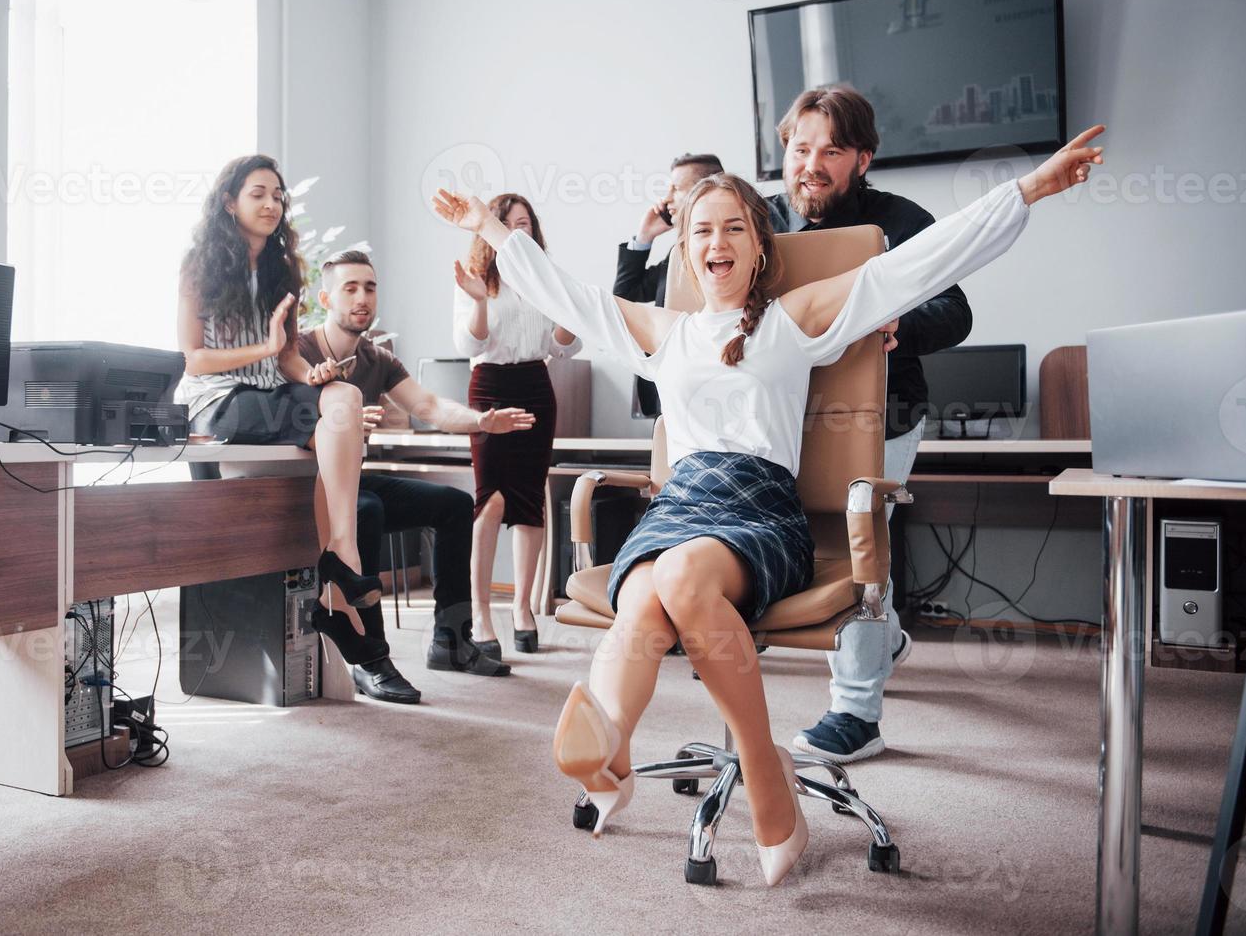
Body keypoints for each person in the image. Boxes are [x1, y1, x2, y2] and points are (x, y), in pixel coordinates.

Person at [433, 126, 1104, 885]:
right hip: (682, 502)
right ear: (685, 252)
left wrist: (1028, 189)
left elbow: (916, 265)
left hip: (757, 508)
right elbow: (568, 296)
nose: (714, 242)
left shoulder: (796, 318)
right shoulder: (665, 331)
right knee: (650, 591)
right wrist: (488, 226)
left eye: (732, 228)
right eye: (700, 231)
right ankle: (629, 748)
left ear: (759, 246)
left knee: (673, 580)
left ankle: (724, 762)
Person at [767, 85, 975, 765]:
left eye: (831, 150)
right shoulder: (762, 219)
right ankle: (882, 641)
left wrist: (897, 322)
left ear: (862, 157)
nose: (812, 163)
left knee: (857, 536)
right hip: (787, 415)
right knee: (808, 540)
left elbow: (955, 312)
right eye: (801, 148)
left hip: (882, 414)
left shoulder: (899, 221)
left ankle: (856, 712)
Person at [175, 154, 386, 669]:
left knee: (346, 400)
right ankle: (338, 571)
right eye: (258, 193)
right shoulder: (199, 266)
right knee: (336, 427)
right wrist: (266, 351)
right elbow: (194, 357)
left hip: (271, 392)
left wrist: (311, 375)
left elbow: (288, 356)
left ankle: (339, 556)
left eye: (277, 195)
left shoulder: (281, 268)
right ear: (230, 202)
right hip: (217, 400)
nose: (271, 204)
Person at [299, 248, 538, 701]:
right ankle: (371, 658)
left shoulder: (377, 359)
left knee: (453, 504)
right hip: (310, 490)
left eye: (370, 287)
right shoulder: (301, 351)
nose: (362, 297)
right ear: (326, 298)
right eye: (349, 288)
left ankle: (451, 639)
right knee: (365, 510)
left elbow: (428, 406)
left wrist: (481, 421)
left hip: (353, 482)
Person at [452, 193, 581, 657]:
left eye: (523, 223)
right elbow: (470, 341)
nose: (517, 230)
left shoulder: (545, 280)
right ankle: (482, 611)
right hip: (488, 386)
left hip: (534, 385)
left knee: (529, 498)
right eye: (506, 223)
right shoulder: (475, 277)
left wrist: (570, 312)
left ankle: (524, 609)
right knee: (491, 497)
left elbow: (564, 347)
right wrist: (478, 301)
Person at [615, 152, 724, 417]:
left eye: (676, 189)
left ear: (705, 191)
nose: (666, 200)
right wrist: (644, 237)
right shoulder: (677, 253)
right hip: (669, 393)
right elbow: (624, 296)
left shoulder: (727, 252)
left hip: (710, 393)